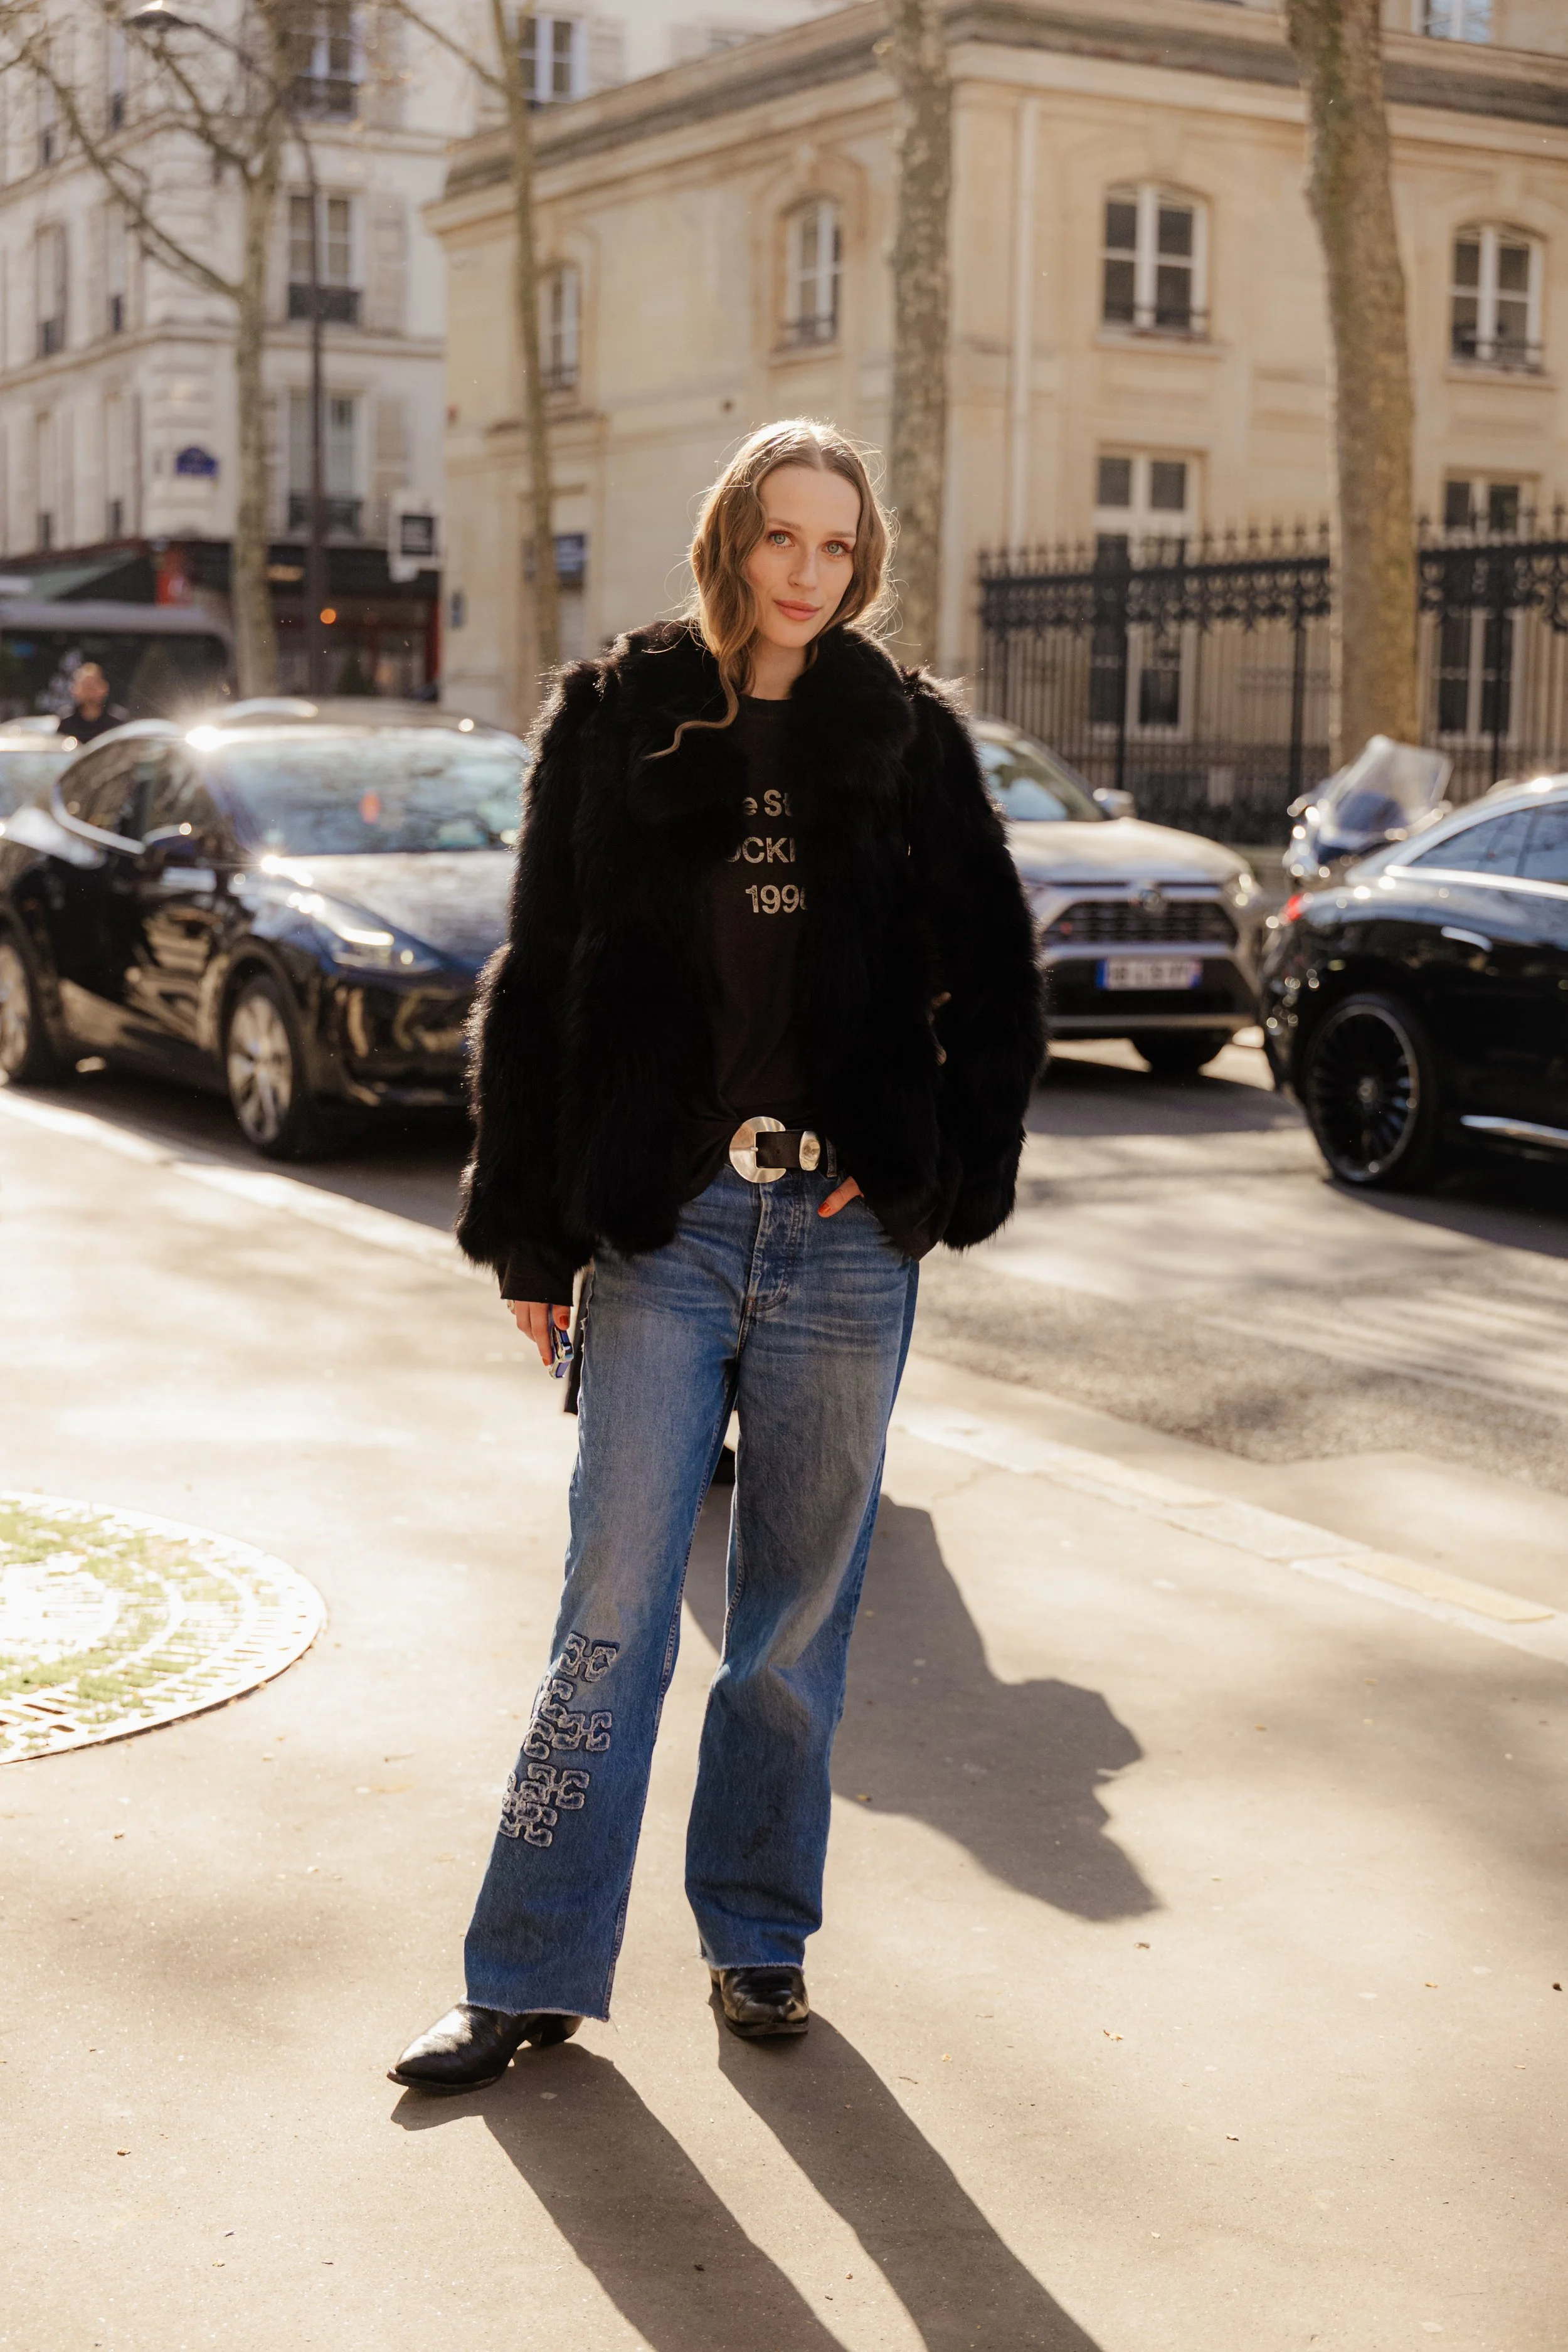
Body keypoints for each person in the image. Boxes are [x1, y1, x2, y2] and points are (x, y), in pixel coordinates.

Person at [391, 418, 1043, 2094]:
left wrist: (928, 1177)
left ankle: (757, 1935)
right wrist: (532, 1225)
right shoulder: (621, 712)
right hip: (662, 1228)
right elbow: (540, 976)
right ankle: (525, 1968)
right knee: (608, 1611)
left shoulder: (904, 737)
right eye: (782, 538)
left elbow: (994, 974)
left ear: (862, 560)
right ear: (731, 538)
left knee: (788, 1629)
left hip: (836, 1244)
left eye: (837, 546)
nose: (807, 573)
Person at [62, 662, 125, 744]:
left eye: (93, 686)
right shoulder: (65, 720)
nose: (89, 692)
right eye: (85, 686)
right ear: (75, 690)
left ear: (104, 688)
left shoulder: (118, 719)